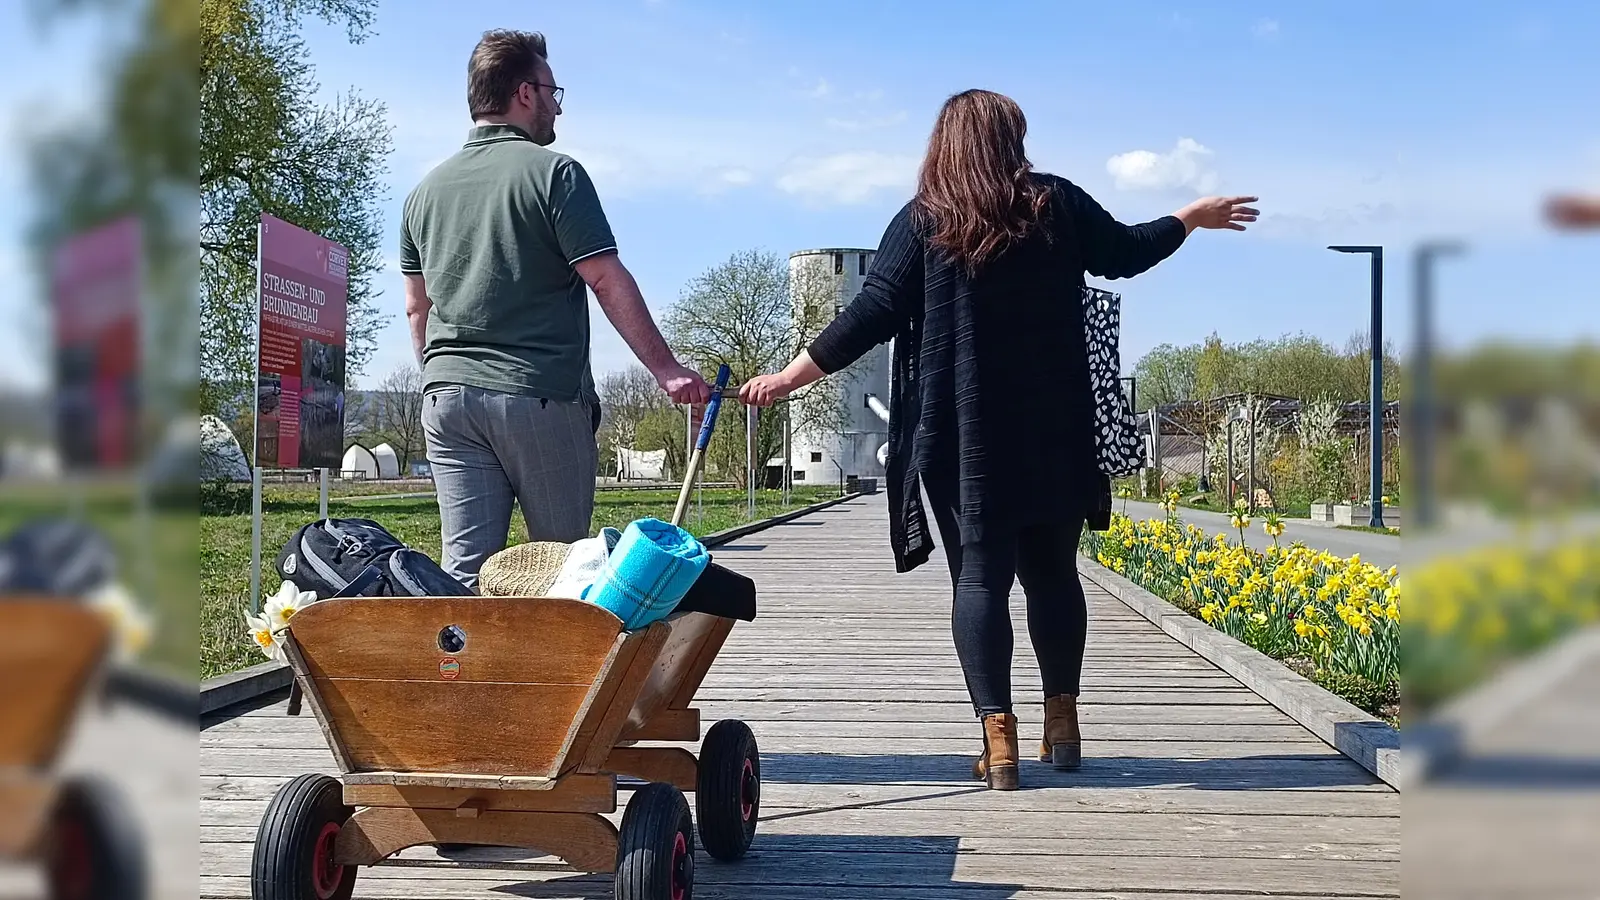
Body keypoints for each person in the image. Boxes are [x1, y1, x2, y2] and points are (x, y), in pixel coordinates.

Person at [740, 89, 1257, 790]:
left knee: (979, 579)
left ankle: (1001, 743)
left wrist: (790, 377)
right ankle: (1064, 724)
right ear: (1013, 138)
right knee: (1053, 576)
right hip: (1056, 428)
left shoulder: (925, 220)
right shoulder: (1056, 205)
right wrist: (1191, 218)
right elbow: (1127, 252)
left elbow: (872, 312)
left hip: (965, 434)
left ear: (944, 144)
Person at [399, 30, 709, 589]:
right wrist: (667, 370)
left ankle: (466, 677)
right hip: (538, 395)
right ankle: (553, 680)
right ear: (525, 93)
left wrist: (438, 379)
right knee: (565, 571)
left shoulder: (423, 193)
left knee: (465, 578)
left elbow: (416, 308)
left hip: (447, 399)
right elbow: (605, 278)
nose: (557, 104)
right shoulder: (555, 174)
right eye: (552, 90)